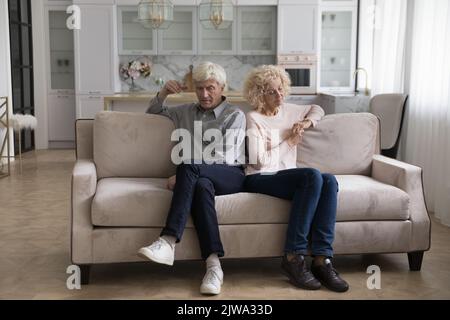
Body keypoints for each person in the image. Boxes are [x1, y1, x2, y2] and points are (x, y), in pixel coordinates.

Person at [138, 62, 246, 295]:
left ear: (222, 87)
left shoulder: (234, 115)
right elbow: (152, 113)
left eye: (210, 88)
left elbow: (223, 156)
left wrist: (186, 172)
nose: (204, 94)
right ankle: (213, 266)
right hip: (199, 178)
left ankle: (167, 240)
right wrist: (164, 93)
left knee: (189, 168)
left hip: (230, 174)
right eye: (199, 89)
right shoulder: (184, 111)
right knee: (200, 186)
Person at [242, 65, 349, 292]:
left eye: (281, 89)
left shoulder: (289, 109)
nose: (279, 95)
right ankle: (293, 257)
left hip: (286, 176)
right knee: (312, 176)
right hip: (259, 176)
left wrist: (306, 123)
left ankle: (322, 259)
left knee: (328, 180)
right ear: (259, 94)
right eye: (272, 92)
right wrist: (289, 142)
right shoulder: (253, 118)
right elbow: (259, 161)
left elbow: (317, 108)